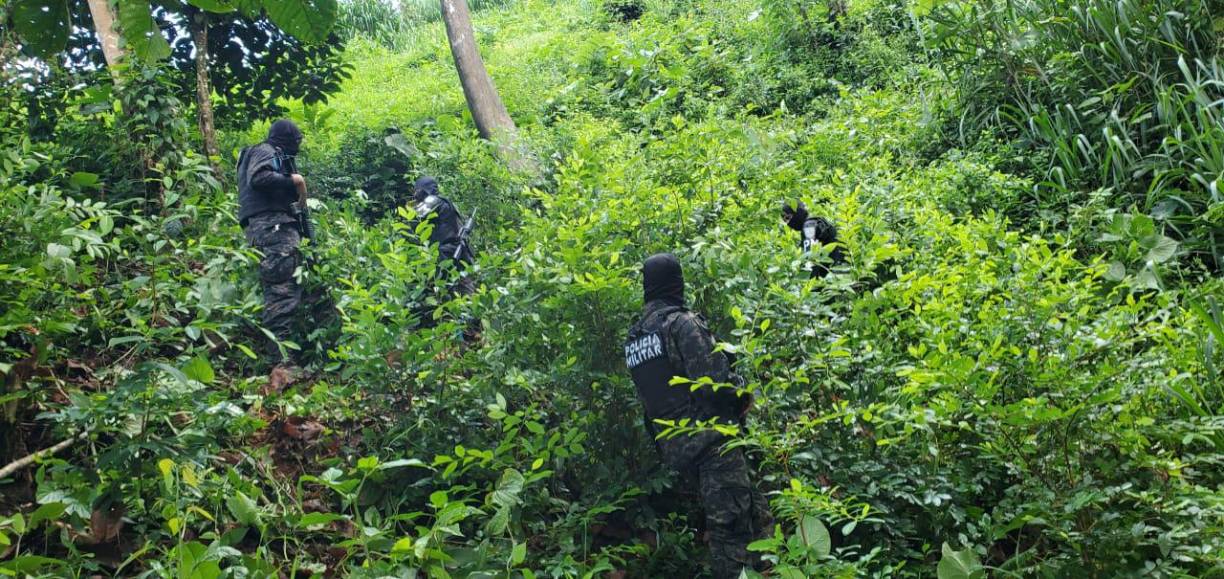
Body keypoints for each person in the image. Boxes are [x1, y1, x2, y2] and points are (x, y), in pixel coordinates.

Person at [623, 254, 773, 579]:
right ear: (675, 282)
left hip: (677, 449)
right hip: (712, 443)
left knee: (755, 514)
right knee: (731, 533)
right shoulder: (680, 324)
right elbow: (713, 383)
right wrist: (743, 394)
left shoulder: (636, 338)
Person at [237, 119, 308, 370]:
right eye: (296, 141)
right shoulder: (266, 151)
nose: (297, 147)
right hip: (274, 229)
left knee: (281, 290)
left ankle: (281, 356)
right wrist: (294, 181)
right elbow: (260, 177)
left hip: (266, 229)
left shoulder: (263, 153)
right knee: (282, 292)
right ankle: (281, 362)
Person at [409, 176, 478, 332]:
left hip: (445, 257)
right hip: (459, 257)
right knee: (465, 295)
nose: (415, 194)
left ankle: (461, 334)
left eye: (417, 190)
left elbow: (415, 218)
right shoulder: (447, 204)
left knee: (442, 296)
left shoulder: (434, 200)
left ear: (423, 189)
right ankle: (470, 333)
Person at [782, 200, 844, 278]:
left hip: (835, 276)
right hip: (842, 271)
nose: (788, 223)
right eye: (785, 220)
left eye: (788, 217)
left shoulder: (808, 226)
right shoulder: (818, 221)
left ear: (798, 212)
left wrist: (813, 285)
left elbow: (811, 259)